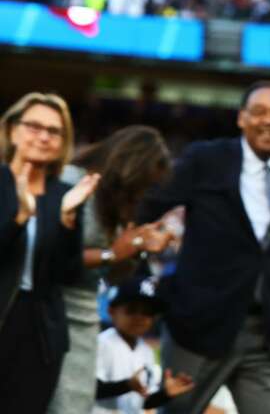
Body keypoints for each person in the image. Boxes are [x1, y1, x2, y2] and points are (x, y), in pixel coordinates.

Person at [138, 80, 270, 414]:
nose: (269, 120)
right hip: (199, 327)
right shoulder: (206, 159)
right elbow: (148, 207)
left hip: (263, 332)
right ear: (241, 119)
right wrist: (136, 258)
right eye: (259, 112)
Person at [51, 126, 176, 414]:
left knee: (74, 405)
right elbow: (52, 256)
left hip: (84, 316)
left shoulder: (118, 205)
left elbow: (112, 275)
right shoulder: (73, 181)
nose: (146, 192)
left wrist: (139, 248)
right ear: (130, 168)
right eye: (145, 183)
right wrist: (115, 251)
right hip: (49, 310)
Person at [0, 92, 100, 412]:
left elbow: (67, 274)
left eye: (54, 131)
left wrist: (68, 220)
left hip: (39, 331)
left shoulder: (64, 194)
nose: (43, 137)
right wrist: (18, 220)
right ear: (12, 130)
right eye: (34, 126)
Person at [93, 276, 196, 413]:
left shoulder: (146, 351)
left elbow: (143, 402)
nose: (140, 317)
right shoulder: (102, 343)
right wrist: (127, 385)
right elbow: (90, 389)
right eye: (132, 309)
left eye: (147, 312)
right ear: (112, 311)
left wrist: (165, 394)